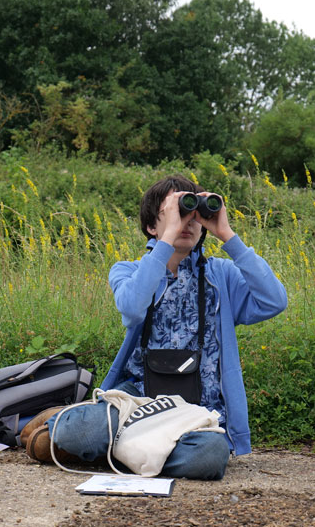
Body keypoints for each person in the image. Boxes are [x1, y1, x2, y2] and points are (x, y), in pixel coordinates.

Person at [26, 175, 287, 479]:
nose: (187, 223)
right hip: (136, 400)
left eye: (194, 215)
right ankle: (94, 433)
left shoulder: (222, 275)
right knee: (79, 432)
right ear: (152, 226)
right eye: (177, 212)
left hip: (197, 410)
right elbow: (133, 308)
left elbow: (273, 301)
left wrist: (227, 234)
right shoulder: (129, 271)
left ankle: (119, 450)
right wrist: (166, 244)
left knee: (209, 457)